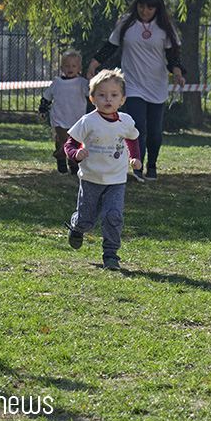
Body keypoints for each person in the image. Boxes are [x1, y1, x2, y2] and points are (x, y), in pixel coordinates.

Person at [86, 0, 186, 182]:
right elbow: (110, 47)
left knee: (154, 131)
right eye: (141, 6)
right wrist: (93, 65)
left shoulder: (164, 28)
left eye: (150, 8)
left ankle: (152, 166)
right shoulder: (126, 23)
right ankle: (137, 168)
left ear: (157, 8)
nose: (144, 11)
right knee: (137, 126)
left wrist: (178, 73)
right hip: (132, 84)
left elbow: (173, 56)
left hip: (156, 85)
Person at [63, 69, 141, 271]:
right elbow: (70, 144)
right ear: (92, 99)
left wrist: (134, 157)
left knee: (112, 216)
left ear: (122, 100)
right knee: (86, 220)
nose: (108, 99)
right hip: (91, 179)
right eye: (102, 95)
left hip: (116, 181)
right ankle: (77, 227)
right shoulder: (88, 121)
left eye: (114, 95)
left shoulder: (126, 121)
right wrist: (75, 154)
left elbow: (132, 138)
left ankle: (111, 255)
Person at [39, 49, 89, 175]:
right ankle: (61, 160)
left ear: (79, 67)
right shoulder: (57, 83)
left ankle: (74, 166)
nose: (70, 68)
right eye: (67, 66)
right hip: (60, 119)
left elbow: (92, 95)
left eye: (73, 66)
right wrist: (43, 109)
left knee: (76, 144)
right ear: (61, 68)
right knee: (61, 142)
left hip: (77, 120)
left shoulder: (82, 83)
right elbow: (47, 97)